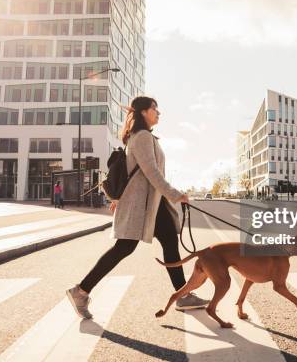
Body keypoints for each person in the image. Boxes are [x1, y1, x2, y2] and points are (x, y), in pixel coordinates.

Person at [66, 96, 209, 319]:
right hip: (141, 205)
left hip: (151, 203)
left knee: (170, 242)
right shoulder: (142, 137)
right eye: (155, 109)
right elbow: (152, 173)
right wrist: (175, 194)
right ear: (143, 112)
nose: (159, 113)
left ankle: (182, 296)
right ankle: (81, 291)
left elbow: (142, 174)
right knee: (124, 248)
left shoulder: (146, 137)